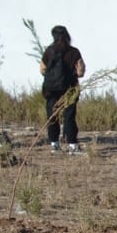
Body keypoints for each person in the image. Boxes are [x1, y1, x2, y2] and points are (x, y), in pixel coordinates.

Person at [40, 25, 86, 154]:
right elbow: (80, 72)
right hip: (70, 89)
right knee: (69, 116)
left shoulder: (49, 51)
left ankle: (54, 144)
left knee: (52, 115)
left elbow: (42, 70)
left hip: (51, 89)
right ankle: (72, 145)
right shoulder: (74, 52)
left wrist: (53, 77)